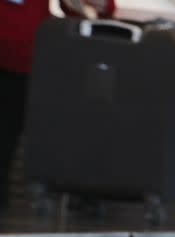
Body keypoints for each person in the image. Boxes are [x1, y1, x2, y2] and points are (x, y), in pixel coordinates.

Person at [0, 0, 115, 210]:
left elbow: (97, 7)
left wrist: (97, 7)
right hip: (20, 55)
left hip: (23, 58)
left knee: (11, 133)